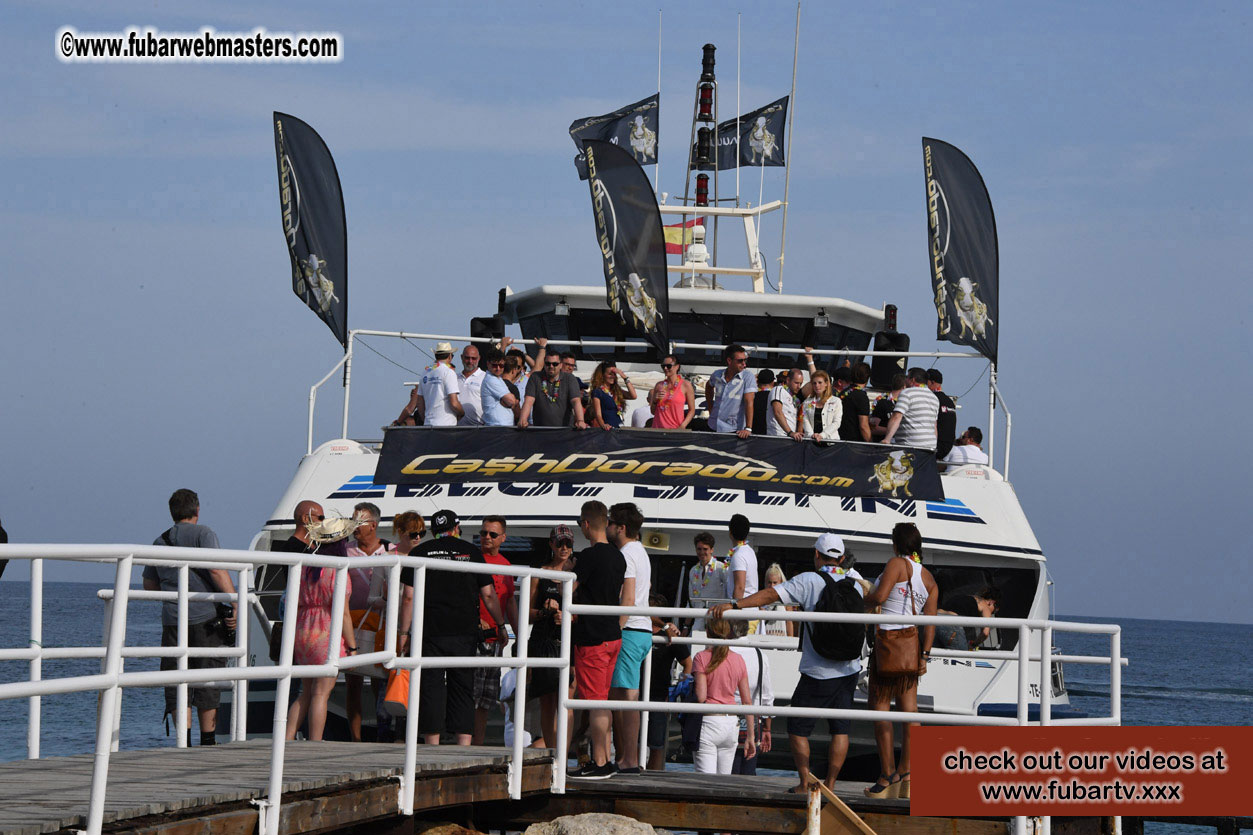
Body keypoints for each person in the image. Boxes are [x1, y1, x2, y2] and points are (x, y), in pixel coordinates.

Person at [708, 533, 866, 793]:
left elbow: (770, 595)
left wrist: (734, 605)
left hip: (818, 670)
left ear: (817, 555)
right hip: (849, 668)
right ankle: (832, 785)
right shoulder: (855, 583)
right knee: (840, 728)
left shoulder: (809, 580)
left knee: (796, 727)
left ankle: (805, 783)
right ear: (840, 556)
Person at [397, 510, 509, 745]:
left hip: (430, 632)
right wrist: (501, 625)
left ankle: (432, 744)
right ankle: (464, 745)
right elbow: (488, 594)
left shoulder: (420, 552)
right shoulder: (471, 552)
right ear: (456, 528)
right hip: (464, 632)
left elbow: (408, 597)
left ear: (433, 530)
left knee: (431, 687)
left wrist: (403, 633)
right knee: (462, 687)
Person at [143, 489, 236, 747]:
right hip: (205, 618)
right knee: (207, 677)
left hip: (172, 620)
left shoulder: (159, 542)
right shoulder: (204, 534)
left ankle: (184, 743)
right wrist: (235, 600)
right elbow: (216, 569)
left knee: (175, 678)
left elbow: (149, 584)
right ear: (197, 510)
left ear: (172, 512)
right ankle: (208, 741)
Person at [862, 522, 939, 799]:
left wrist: (861, 601)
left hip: (887, 647)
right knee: (910, 713)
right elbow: (930, 624)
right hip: (911, 650)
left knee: (879, 708)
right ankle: (907, 774)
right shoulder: (929, 579)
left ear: (896, 544)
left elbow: (880, 597)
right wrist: (925, 655)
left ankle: (886, 775)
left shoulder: (896, 563)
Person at [568, 500, 626, 780]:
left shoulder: (589, 557)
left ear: (587, 524)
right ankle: (606, 759)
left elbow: (569, 586)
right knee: (603, 700)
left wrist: (568, 569)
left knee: (595, 702)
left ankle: (600, 762)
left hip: (592, 638)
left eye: (581, 524)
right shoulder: (618, 556)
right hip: (613, 635)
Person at [284, 521, 357, 742]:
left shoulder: (305, 567)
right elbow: (343, 613)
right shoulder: (338, 571)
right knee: (321, 693)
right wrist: (352, 647)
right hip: (327, 631)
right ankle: (316, 742)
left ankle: (286, 738)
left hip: (304, 628)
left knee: (305, 692)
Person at [608, 502, 651, 774]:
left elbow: (629, 596)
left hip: (631, 629)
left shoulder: (626, 554)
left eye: (611, 523)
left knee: (626, 698)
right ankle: (626, 757)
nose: (608, 527)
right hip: (640, 629)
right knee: (622, 697)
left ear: (621, 528)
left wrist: (616, 629)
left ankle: (630, 760)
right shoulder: (641, 551)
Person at [346, 502, 394, 742]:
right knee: (352, 681)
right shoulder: (344, 552)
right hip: (352, 623)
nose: (354, 526)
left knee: (380, 681)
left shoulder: (390, 551)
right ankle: (355, 739)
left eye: (359, 521)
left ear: (373, 525)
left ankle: (381, 733)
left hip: (382, 624)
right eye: (352, 520)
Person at [375, 511, 424, 743]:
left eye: (421, 533)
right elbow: (371, 599)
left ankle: (405, 734)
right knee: (388, 679)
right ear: (401, 532)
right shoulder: (386, 558)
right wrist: (389, 599)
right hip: (392, 626)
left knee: (411, 678)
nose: (418, 538)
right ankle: (385, 732)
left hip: (418, 626)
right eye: (414, 533)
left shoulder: (424, 557)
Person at [473, 515, 519, 745]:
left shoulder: (506, 566)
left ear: (502, 538)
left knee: (486, 697)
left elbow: (510, 602)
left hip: (494, 638)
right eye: (483, 533)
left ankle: (477, 746)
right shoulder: (472, 560)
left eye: (492, 534)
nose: (486, 538)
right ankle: (466, 744)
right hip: (473, 636)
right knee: (471, 694)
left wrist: (519, 636)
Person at [529, 525, 574, 752]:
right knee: (547, 701)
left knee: (567, 700)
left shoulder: (577, 573)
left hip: (568, 641)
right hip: (544, 640)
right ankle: (550, 752)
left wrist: (569, 618)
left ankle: (563, 754)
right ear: (551, 544)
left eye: (568, 544)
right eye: (560, 543)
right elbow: (526, 614)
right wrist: (545, 611)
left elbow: (583, 610)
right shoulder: (540, 572)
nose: (564, 548)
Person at [691, 617, 755, 774]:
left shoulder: (701, 657)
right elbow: (747, 701)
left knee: (706, 782)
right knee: (723, 780)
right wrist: (751, 737)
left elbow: (701, 696)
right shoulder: (738, 659)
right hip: (731, 723)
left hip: (709, 720)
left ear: (707, 632)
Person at [644, 593, 689, 771]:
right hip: (634, 693)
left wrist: (679, 687)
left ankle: (654, 775)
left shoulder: (670, 636)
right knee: (633, 739)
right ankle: (635, 771)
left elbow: (688, 663)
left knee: (657, 743)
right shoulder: (638, 631)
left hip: (659, 694)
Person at [728, 617, 774, 775]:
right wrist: (767, 728)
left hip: (726, 716)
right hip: (753, 720)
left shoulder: (723, 652)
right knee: (748, 771)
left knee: (726, 771)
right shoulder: (760, 655)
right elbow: (767, 695)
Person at [400, 342, 463, 427]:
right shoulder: (449, 372)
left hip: (429, 425)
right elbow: (454, 403)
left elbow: (420, 403)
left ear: (436, 356)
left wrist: (426, 419)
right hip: (446, 426)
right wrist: (462, 413)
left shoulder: (425, 373)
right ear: (450, 356)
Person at [519, 352, 588, 429]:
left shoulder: (570, 378)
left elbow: (576, 401)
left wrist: (580, 420)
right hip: (540, 431)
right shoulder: (535, 377)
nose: (551, 366)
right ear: (544, 364)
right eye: (548, 363)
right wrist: (523, 419)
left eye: (555, 364)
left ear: (561, 365)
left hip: (565, 431)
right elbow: (529, 400)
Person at [705, 344, 756, 439]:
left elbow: (749, 401)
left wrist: (748, 428)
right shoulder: (717, 374)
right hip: (713, 425)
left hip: (734, 429)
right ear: (729, 361)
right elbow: (708, 386)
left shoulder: (748, 376)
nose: (744, 364)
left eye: (745, 360)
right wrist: (710, 407)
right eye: (740, 361)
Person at [881, 367, 940, 449]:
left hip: (910, 445)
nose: (905, 381)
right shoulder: (934, 398)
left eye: (907, 378)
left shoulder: (907, 393)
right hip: (930, 447)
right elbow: (934, 425)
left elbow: (896, 417)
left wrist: (887, 439)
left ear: (912, 380)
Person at [938, 585, 1001, 649]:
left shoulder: (967, 597)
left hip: (935, 620)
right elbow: (985, 633)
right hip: (951, 625)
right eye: (993, 611)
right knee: (961, 656)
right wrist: (973, 644)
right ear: (991, 602)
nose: (991, 613)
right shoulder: (985, 605)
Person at [686, 532, 727, 629]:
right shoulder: (693, 571)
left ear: (712, 550)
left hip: (716, 619)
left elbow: (729, 593)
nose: (701, 552)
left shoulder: (721, 568)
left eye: (705, 549)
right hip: (698, 620)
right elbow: (691, 601)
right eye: (699, 549)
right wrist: (686, 626)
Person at [649, 355, 695, 429]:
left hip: (675, 429)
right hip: (657, 429)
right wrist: (654, 400)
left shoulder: (685, 385)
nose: (665, 368)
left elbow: (692, 410)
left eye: (669, 366)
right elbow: (653, 412)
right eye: (663, 366)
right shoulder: (659, 385)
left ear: (677, 367)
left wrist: (683, 426)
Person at [589, 361, 638, 430]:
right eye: (610, 374)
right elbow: (598, 414)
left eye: (614, 374)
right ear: (603, 375)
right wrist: (603, 425)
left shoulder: (616, 390)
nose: (613, 376)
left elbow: (633, 396)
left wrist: (624, 377)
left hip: (619, 427)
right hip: (608, 428)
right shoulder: (598, 392)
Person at [481, 350, 522, 426]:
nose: (498, 368)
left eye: (501, 365)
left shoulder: (498, 378)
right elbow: (512, 401)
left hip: (502, 427)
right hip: (497, 427)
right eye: (494, 365)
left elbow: (510, 401)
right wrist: (511, 402)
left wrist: (506, 401)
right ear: (488, 364)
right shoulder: (491, 379)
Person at [801, 370, 843, 443]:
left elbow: (836, 422)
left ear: (826, 384)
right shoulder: (806, 402)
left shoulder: (836, 401)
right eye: (814, 383)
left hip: (830, 442)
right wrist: (812, 435)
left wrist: (822, 435)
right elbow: (805, 420)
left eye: (820, 382)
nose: (817, 385)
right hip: (811, 442)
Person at [725, 514, 758, 604]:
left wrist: (734, 613)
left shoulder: (738, 555)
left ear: (730, 533)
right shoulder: (750, 552)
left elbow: (740, 587)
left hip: (743, 612)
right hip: (751, 608)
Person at [838, 362, 873, 442]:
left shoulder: (844, 393)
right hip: (854, 443)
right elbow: (863, 426)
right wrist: (871, 443)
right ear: (867, 377)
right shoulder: (861, 396)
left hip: (840, 439)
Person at [926, 369, 957, 459]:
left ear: (932, 382)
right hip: (948, 447)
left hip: (934, 446)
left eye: (925, 382)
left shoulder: (932, 399)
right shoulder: (950, 402)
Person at [768, 368, 806, 440]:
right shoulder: (778, 389)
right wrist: (790, 432)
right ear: (788, 380)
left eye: (800, 383)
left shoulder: (794, 397)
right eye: (796, 383)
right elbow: (777, 412)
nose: (799, 386)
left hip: (790, 438)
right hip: (777, 437)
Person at [760, 563, 795, 638]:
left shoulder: (786, 599)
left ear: (781, 582)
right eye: (769, 582)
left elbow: (789, 623)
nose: (772, 586)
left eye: (775, 582)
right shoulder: (760, 599)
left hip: (781, 642)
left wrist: (791, 643)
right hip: (763, 641)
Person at [869, 373, 907, 440]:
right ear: (904, 387)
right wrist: (893, 431)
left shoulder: (905, 403)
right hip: (884, 445)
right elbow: (873, 428)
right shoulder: (883, 402)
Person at [457, 343, 486, 426]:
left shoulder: (485, 377)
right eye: (467, 358)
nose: (470, 361)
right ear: (461, 357)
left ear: (479, 358)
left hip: (478, 429)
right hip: (457, 429)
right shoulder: (454, 378)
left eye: (474, 358)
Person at [750, 369, 776, 435]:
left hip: (753, 435)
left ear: (757, 381)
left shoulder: (751, 397)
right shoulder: (777, 398)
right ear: (773, 382)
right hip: (773, 435)